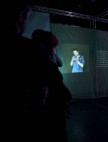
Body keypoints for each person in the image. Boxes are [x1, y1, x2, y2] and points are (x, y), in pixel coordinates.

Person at [4, 0, 48, 141]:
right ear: (21, 17)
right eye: (28, 17)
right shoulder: (30, 49)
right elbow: (41, 89)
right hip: (26, 119)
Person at [32, 29, 72, 142]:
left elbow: (60, 63)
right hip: (52, 108)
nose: (54, 49)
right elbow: (55, 83)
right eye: (53, 46)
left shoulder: (46, 61)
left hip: (54, 106)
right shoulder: (44, 64)